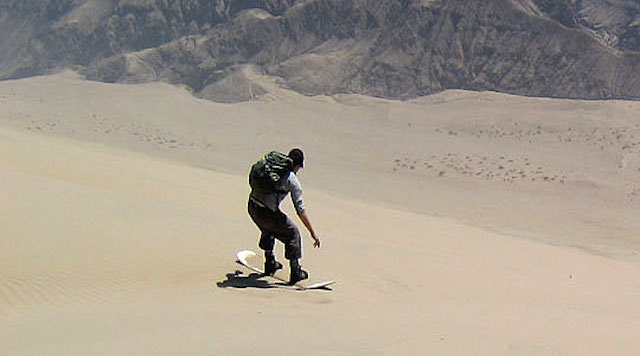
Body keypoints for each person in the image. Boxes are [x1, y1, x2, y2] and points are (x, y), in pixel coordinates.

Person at [247, 148, 320, 284]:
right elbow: (300, 209)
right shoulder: (292, 180)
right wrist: (312, 232)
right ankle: (296, 271)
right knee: (293, 233)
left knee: (268, 228)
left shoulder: (271, 168)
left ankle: (270, 263)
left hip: (252, 207)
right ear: (298, 165)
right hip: (266, 213)